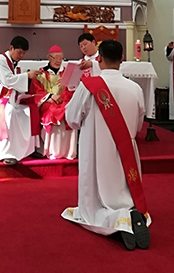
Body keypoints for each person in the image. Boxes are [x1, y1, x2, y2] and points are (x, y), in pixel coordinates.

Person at [62, 40, 150, 250]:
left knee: (92, 208)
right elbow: (139, 125)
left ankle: (119, 221)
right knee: (125, 194)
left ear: (99, 58)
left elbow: (72, 119)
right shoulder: (135, 88)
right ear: (122, 59)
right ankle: (130, 213)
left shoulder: (88, 86)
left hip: (95, 152)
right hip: (125, 153)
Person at [0, 36, 41, 165]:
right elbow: (8, 81)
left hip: (6, 99)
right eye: (19, 52)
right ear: (11, 48)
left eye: (24, 53)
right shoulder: (0, 61)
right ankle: (5, 152)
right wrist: (27, 75)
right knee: (9, 112)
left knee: (27, 111)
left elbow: (14, 83)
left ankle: (27, 149)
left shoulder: (12, 63)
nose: (21, 56)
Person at [30, 45, 77, 160]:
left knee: (70, 111)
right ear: (48, 58)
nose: (58, 61)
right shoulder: (40, 73)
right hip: (47, 101)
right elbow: (36, 91)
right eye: (55, 57)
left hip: (64, 100)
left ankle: (69, 151)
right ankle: (52, 150)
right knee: (52, 112)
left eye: (60, 58)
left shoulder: (67, 73)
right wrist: (50, 97)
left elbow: (72, 90)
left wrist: (63, 94)